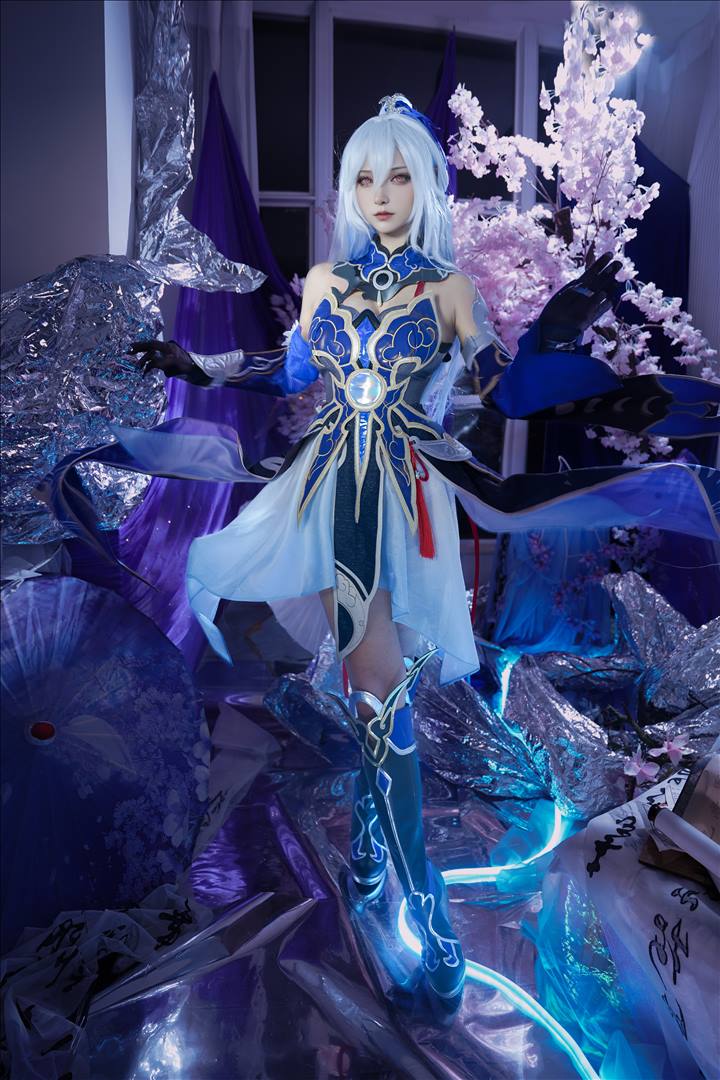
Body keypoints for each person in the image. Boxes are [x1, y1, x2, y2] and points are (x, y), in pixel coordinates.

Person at [46, 94, 720, 1013]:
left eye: (399, 175)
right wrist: (197, 367)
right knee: (378, 697)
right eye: (365, 176)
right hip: (331, 498)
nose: (381, 192)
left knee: (379, 695)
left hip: (408, 501)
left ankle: (381, 868)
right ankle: (419, 910)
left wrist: (563, 328)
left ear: (425, 187)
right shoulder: (325, 283)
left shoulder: (450, 290)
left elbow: (507, 391)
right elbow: (288, 371)